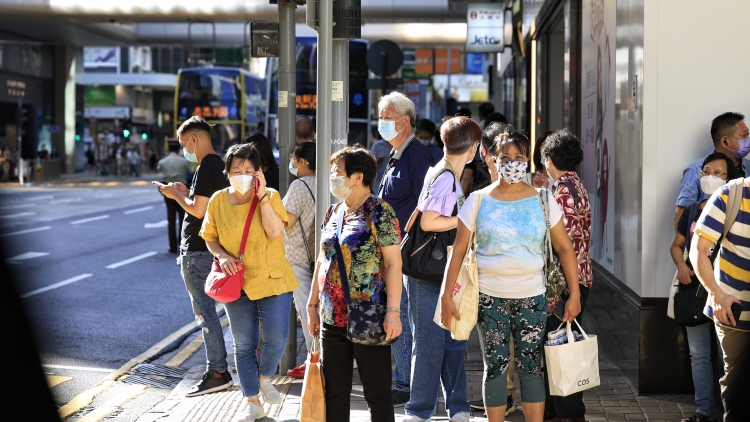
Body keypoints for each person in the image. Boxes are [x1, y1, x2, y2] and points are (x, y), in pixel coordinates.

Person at [440, 131, 581, 422]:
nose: (512, 163)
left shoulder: (543, 200)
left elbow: (565, 249)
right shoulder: (477, 201)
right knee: (495, 367)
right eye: (505, 158)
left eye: (519, 158)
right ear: (493, 159)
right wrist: (446, 296)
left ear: (528, 160)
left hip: (533, 298)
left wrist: (575, 294)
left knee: (531, 367)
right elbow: (459, 252)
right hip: (489, 300)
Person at [200, 143, 298, 422]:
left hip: (272, 278)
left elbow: (275, 230)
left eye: (248, 170)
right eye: (236, 170)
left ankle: (263, 377)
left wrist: (263, 196)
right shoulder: (219, 200)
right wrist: (221, 256)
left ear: (259, 172)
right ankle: (252, 402)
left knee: (277, 338)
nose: (242, 174)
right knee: (244, 344)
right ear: (227, 172)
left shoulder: (271, 195)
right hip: (236, 281)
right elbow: (210, 237)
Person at [306, 146, 403, 422]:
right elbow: (322, 262)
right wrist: (312, 304)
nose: (332, 177)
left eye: (337, 172)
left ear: (357, 177)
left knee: (377, 392)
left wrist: (393, 312)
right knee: (334, 392)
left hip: (368, 315)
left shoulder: (379, 212)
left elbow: (394, 264)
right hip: (331, 316)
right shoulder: (333, 212)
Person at [403, 116, 478, 422]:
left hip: (442, 268)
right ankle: (419, 410)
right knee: (431, 342)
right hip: (429, 272)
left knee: (452, 340)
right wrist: (465, 221)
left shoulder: (446, 171)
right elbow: (429, 221)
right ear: (472, 149)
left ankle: (458, 407)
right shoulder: (447, 176)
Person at [157, 117, 232, 398]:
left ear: (194, 140)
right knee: (214, 314)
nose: (185, 150)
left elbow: (198, 212)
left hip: (198, 252)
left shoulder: (206, 166)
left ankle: (217, 372)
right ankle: (220, 369)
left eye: (184, 144)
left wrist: (173, 194)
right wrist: (186, 193)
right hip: (212, 249)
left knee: (205, 315)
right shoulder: (222, 164)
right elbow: (205, 204)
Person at [376, 91, 435, 407]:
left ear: (405, 121)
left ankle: (406, 384)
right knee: (397, 315)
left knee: (401, 317)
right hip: (393, 252)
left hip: (407, 255)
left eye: (387, 117)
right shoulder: (396, 154)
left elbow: (426, 207)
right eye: (381, 117)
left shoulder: (417, 157)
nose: (381, 123)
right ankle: (404, 381)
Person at [670, 153, 734, 422]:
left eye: (717, 173)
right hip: (694, 292)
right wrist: (683, 267)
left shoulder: (737, 211)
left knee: (727, 354)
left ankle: (732, 409)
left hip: (728, 293)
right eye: (706, 171)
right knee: (699, 355)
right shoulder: (693, 211)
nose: (709, 176)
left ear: (729, 179)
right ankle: (704, 411)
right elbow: (677, 245)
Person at [539, 129, 593, 422]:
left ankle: (569, 414)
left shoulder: (561, 191)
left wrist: (571, 293)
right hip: (577, 280)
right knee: (559, 349)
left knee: (564, 352)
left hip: (564, 284)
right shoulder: (574, 185)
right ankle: (559, 411)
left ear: (549, 159)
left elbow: (563, 246)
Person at [690, 168, 750, 422]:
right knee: (737, 391)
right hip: (735, 312)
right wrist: (716, 293)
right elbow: (698, 250)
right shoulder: (730, 195)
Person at [675, 112, 750, 230]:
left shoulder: (748, 168)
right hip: (707, 243)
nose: (748, 140)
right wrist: (686, 246)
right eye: (744, 136)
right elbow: (682, 215)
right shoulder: (695, 171)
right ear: (725, 141)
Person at [281, 141, 318, 379]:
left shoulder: (299, 184)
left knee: (307, 309)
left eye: (294, 159)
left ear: (303, 162)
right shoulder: (326, 183)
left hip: (298, 254)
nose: (292, 164)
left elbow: (288, 221)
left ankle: (314, 358)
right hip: (318, 255)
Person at [157, 140, 195, 253]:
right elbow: (191, 171)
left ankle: (172, 246)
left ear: (168, 148)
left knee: (171, 219)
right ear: (178, 148)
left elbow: (159, 168)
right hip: (180, 191)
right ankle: (181, 243)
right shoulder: (183, 161)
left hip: (168, 191)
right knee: (183, 219)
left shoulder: (163, 161)